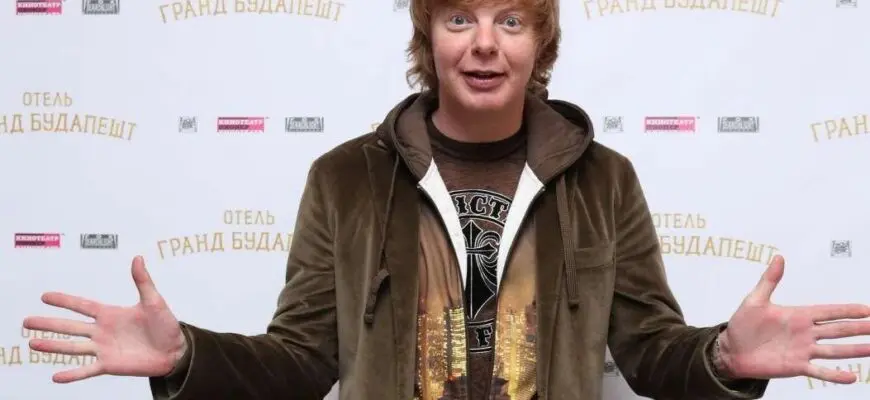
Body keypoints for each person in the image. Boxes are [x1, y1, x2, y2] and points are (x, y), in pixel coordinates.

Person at [22, 0, 870, 399]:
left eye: (511, 20)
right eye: (460, 17)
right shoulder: (345, 179)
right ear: (428, 36)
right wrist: (188, 358)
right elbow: (302, 359)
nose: (484, 45)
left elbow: (648, 352)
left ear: (541, 41)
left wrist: (723, 357)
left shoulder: (603, 179)